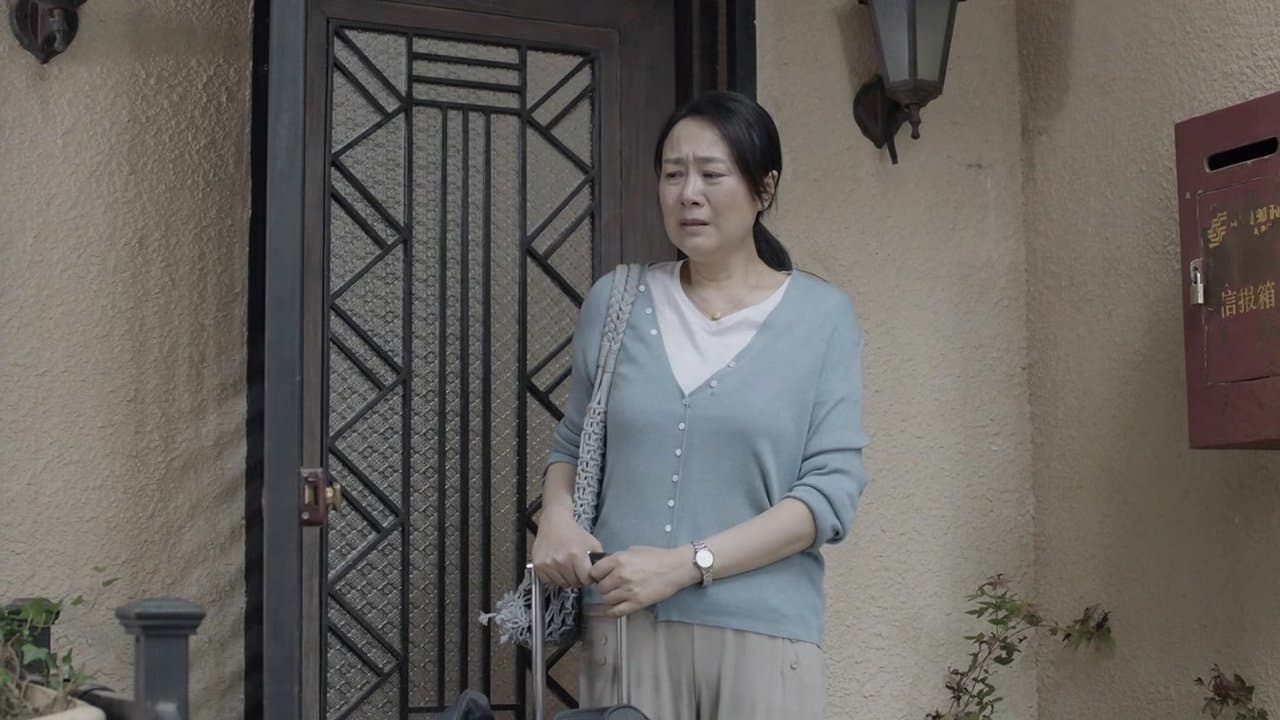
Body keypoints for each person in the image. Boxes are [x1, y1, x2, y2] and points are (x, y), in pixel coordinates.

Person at [531, 90, 869, 720]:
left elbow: (829, 494)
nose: (689, 193)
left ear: (764, 188)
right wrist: (555, 516)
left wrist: (688, 565)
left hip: (764, 637)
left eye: (712, 174)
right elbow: (573, 444)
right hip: (626, 630)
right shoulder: (616, 302)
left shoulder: (822, 317)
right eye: (673, 173)